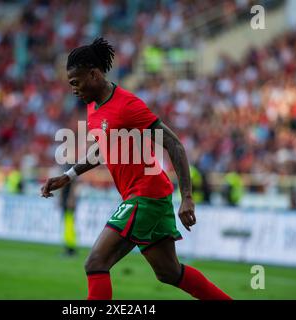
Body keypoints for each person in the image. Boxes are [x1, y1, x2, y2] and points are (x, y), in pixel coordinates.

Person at [41, 38, 231, 300]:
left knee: (96, 263)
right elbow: (102, 149)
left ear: (94, 74)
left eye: (76, 82)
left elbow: (173, 144)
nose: (73, 89)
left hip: (145, 196)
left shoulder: (128, 105)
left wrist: (187, 196)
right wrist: (69, 175)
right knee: (169, 272)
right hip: (147, 197)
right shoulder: (92, 107)